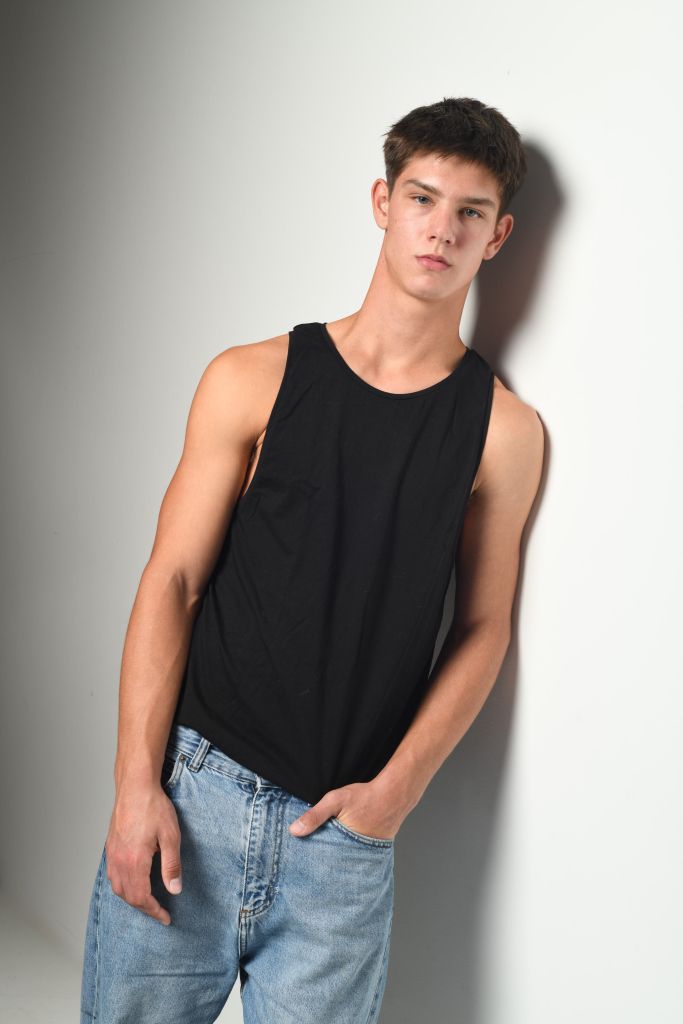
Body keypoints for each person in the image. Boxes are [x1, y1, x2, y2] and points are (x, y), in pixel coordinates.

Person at [80, 96, 544, 1023]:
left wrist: (391, 798)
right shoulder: (251, 377)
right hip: (193, 800)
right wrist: (135, 788)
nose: (440, 230)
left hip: (341, 842)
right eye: (422, 199)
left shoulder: (501, 431)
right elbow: (172, 581)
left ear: (497, 237)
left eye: (469, 212)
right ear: (382, 202)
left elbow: (485, 627)